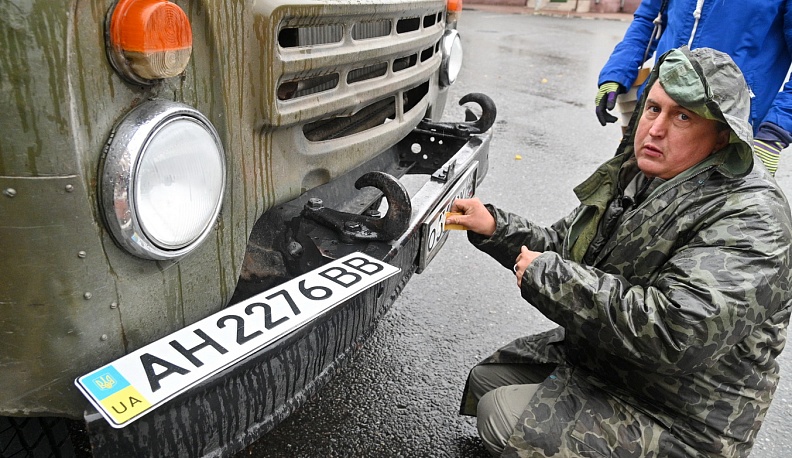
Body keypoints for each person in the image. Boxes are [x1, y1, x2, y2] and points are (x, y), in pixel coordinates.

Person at [448, 47, 792, 457]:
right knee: (491, 381)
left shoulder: (753, 217)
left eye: (682, 116)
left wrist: (550, 277)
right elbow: (567, 246)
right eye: (653, 109)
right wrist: (495, 227)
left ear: (723, 135)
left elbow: (676, 331)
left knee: (500, 413)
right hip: (623, 373)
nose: (656, 129)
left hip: (684, 418)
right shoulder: (642, 174)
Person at [594, 0, 792, 176]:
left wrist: (775, 131)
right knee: (632, 203)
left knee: (713, 214)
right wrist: (616, 73)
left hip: (730, 128)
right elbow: (648, 19)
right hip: (660, 111)